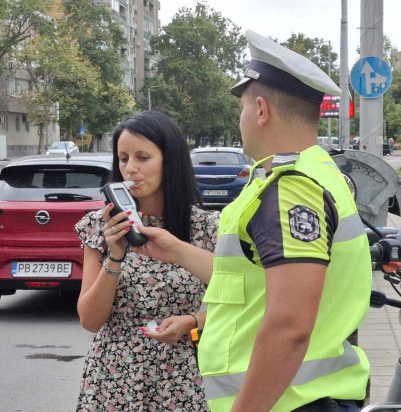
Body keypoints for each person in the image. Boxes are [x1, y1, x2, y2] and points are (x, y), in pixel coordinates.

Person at [136, 30, 372, 412]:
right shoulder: (302, 175)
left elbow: (290, 326)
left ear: (261, 110)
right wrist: (177, 250)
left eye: (242, 110)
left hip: (292, 403)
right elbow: (250, 280)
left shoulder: (293, 189)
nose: (242, 120)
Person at [74, 111, 219, 411]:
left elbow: (241, 302)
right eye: (123, 158)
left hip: (182, 375)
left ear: (170, 160)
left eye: (143, 157)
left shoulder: (206, 227)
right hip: (113, 377)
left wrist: (193, 322)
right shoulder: (100, 226)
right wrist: (114, 256)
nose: (131, 169)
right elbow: (89, 320)